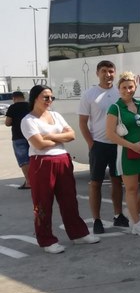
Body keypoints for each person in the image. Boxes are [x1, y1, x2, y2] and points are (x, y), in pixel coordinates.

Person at [21, 85, 100, 253]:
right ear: (35, 98)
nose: (49, 100)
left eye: (51, 97)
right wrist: (60, 138)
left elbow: (72, 135)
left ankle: (78, 234)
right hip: (42, 163)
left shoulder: (56, 115)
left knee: (69, 199)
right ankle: (46, 240)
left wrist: (49, 136)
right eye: (45, 97)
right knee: (43, 203)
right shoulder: (28, 120)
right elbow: (39, 144)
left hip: (62, 160)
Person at [106, 72, 140, 237]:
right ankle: (136, 223)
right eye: (124, 87)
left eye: (130, 87)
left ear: (135, 87)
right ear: (119, 89)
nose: (127, 90)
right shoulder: (115, 108)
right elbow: (110, 134)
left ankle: (131, 213)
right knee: (132, 189)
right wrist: (132, 146)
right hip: (128, 153)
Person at [78, 60, 126, 234]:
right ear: (97, 73)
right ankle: (97, 220)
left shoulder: (120, 92)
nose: (108, 74)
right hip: (98, 144)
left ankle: (118, 215)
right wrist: (91, 144)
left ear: (115, 73)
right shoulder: (89, 94)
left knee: (117, 181)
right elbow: (82, 122)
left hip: (118, 144)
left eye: (111, 71)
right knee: (96, 183)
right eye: (104, 71)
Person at [5, 91, 30, 189]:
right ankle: (37, 180)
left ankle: (29, 182)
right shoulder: (30, 105)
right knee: (34, 158)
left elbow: (7, 123)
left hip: (18, 136)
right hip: (31, 135)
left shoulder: (12, 107)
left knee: (23, 160)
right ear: (23, 97)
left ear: (14, 98)